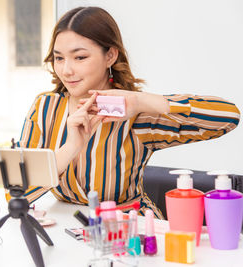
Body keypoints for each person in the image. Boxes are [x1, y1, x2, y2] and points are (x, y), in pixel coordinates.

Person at [14, 6, 240, 218]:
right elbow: (17, 189)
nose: (66, 69)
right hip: (67, 226)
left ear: (110, 56)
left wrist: (142, 100)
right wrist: (70, 147)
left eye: (80, 57)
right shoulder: (45, 108)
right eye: (59, 58)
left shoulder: (136, 114)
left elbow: (228, 117)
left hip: (131, 231)